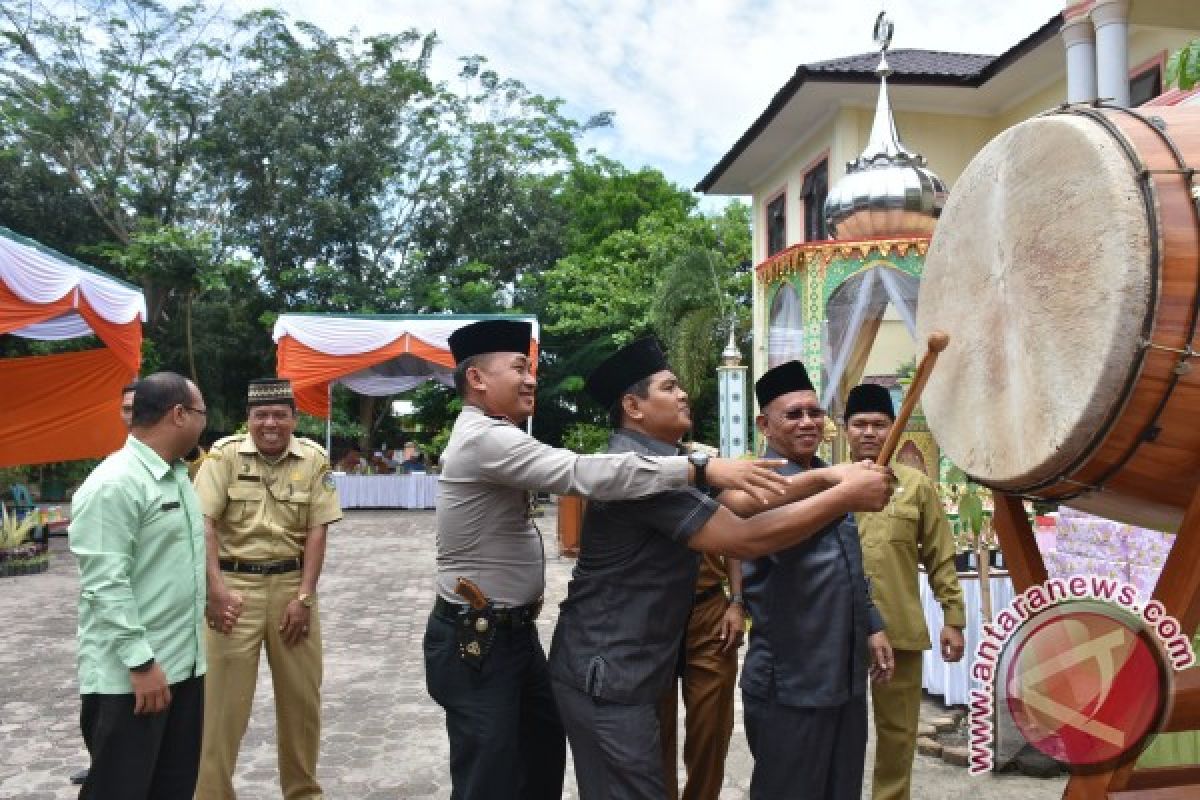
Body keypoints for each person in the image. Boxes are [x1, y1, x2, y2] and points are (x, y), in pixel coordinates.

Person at [425, 320, 796, 800]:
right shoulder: (484, 439)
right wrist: (698, 466)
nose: (532, 379)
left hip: (513, 634)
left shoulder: (500, 435)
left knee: (538, 767)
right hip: (477, 636)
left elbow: (738, 511)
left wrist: (827, 484)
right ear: (477, 379)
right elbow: (580, 472)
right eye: (519, 368)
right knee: (490, 779)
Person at [548, 339, 894, 800]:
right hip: (608, 669)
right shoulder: (638, 472)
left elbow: (746, 500)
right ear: (633, 407)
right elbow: (743, 537)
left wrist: (830, 478)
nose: (683, 393)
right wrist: (843, 493)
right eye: (669, 387)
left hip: (634, 664)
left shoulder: (672, 462)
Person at [741, 360, 894, 800]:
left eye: (815, 412)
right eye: (794, 414)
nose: (808, 422)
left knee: (841, 788)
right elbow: (774, 537)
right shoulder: (756, 487)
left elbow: (847, 563)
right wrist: (838, 492)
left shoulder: (836, 477)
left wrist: (872, 623)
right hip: (791, 680)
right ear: (764, 424)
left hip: (845, 677)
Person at [193, 378, 343, 800]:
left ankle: (302, 794)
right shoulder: (223, 456)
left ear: (294, 419)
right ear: (249, 420)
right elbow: (202, 523)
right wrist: (215, 591)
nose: (271, 423)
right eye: (262, 415)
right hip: (233, 591)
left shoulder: (313, 459)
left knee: (302, 706)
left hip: (292, 591)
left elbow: (317, 530)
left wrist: (304, 597)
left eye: (280, 415)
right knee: (221, 709)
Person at [68, 371, 209, 799]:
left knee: (172, 788)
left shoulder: (176, 476)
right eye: (202, 412)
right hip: (133, 679)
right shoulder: (115, 484)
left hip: (184, 666)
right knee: (120, 789)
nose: (207, 421)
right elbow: (105, 584)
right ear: (179, 414)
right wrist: (141, 664)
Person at [844, 383, 965, 800]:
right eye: (859, 424)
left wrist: (954, 617)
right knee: (836, 732)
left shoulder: (915, 486)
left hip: (898, 628)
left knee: (898, 734)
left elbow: (940, 555)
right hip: (836, 632)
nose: (869, 433)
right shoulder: (827, 484)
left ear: (893, 427)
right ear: (844, 430)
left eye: (879, 424)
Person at [658, 551, 744, 800]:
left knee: (711, 730)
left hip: (709, 612)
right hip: (653, 614)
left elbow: (733, 535)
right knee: (654, 734)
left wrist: (737, 601)